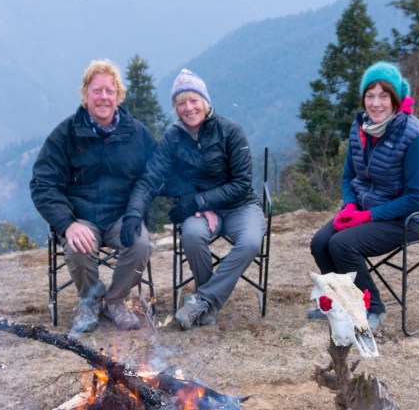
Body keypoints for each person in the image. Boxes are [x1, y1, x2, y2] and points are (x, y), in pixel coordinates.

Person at [124, 69, 265, 330]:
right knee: (191, 235)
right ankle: (205, 305)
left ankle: (202, 300)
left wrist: (199, 201)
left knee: (250, 242)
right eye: (181, 103)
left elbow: (242, 184)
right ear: (175, 108)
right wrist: (134, 212)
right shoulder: (172, 137)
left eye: (193, 100)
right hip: (200, 210)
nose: (188, 108)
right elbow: (152, 178)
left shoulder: (230, 131)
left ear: (205, 101)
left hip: (239, 206)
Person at [30, 59, 156, 334]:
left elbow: (153, 176)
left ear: (118, 96)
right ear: (85, 95)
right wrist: (67, 224)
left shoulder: (136, 133)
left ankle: (115, 301)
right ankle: (90, 300)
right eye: (97, 90)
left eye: (110, 91)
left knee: (140, 243)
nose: (103, 97)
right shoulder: (65, 135)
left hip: (121, 216)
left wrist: (135, 213)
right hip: (80, 217)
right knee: (78, 245)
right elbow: (42, 184)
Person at [309, 61, 419, 332]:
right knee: (320, 243)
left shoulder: (416, 136)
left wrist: (367, 215)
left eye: (384, 96)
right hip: (364, 210)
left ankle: (372, 307)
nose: (376, 103)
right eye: (370, 95)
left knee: (342, 244)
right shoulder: (360, 128)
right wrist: (350, 205)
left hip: (406, 218)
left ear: (395, 99)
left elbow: (415, 198)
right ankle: (341, 303)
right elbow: (349, 176)